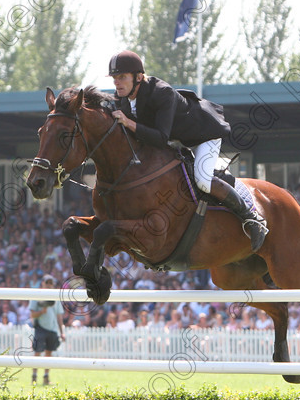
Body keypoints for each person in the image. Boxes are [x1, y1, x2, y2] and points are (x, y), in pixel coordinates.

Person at [107, 50, 268, 251]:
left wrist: (129, 123)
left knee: (202, 179)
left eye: (122, 77)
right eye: (114, 78)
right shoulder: (122, 97)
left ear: (139, 77)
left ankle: (252, 219)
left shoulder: (162, 92)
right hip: (178, 141)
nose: (117, 83)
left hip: (203, 135)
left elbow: (160, 138)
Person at [27, 275, 65, 386]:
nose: (49, 285)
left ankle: (46, 377)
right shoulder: (36, 295)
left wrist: (62, 332)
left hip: (52, 330)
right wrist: (41, 312)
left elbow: (59, 316)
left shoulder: (56, 297)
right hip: (40, 328)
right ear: (42, 283)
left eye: (50, 283)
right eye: (47, 282)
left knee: (49, 353)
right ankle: (34, 377)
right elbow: (32, 314)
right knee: (37, 353)